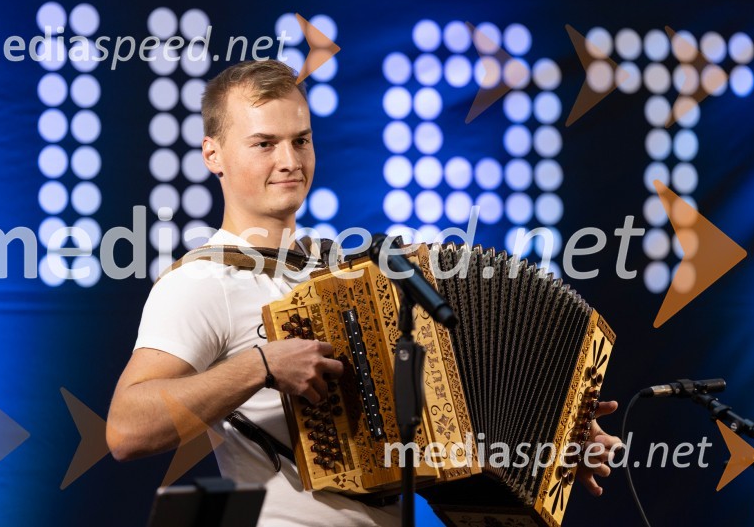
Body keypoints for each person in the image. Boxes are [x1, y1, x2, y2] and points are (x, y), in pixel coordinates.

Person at [106, 59, 621, 527]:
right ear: (213, 155)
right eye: (264, 144)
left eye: (301, 140)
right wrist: (260, 366)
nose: (289, 160)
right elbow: (127, 430)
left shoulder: (350, 274)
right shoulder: (202, 282)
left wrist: (555, 441)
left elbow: (447, 419)